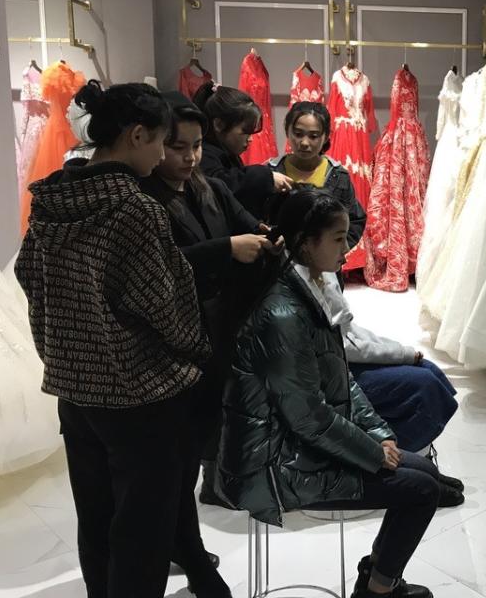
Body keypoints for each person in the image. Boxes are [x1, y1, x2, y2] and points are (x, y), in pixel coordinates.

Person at [15, 80, 227, 598]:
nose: (162, 154)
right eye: (160, 141)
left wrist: (74, 328)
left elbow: (26, 273)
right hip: (138, 394)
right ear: (136, 136)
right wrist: (200, 350)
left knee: (96, 519)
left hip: (74, 387)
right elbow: (162, 304)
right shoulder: (134, 209)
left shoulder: (53, 199)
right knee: (143, 533)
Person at [219, 187, 437, 598]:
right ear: (306, 242)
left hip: (295, 440)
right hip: (271, 461)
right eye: (338, 238)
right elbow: (306, 415)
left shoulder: (309, 288)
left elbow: (340, 378)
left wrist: (378, 433)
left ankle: (376, 574)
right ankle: (378, 588)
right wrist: (372, 452)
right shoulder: (284, 312)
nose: (348, 247)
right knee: (421, 491)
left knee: (426, 475)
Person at [140, 91, 277, 518]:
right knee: (189, 420)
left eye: (196, 146)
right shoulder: (145, 201)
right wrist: (227, 249)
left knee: (223, 401)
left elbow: (249, 225)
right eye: (177, 147)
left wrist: (272, 236)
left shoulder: (211, 186)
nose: (190, 157)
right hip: (178, 327)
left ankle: (218, 481)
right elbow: (160, 263)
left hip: (224, 317)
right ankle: (192, 500)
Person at [302, 263, 464, 507]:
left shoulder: (321, 271)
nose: (346, 247)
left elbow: (347, 332)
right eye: (338, 238)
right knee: (423, 386)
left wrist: (399, 350)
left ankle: (414, 465)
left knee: (429, 372)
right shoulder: (295, 288)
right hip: (323, 381)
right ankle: (399, 472)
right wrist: (400, 354)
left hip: (338, 367)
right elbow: (339, 351)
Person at [269, 100, 366, 255]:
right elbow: (254, 220)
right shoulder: (271, 172)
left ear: (326, 136)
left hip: (325, 269)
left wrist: (335, 248)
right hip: (278, 266)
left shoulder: (338, 176)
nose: (304, 143)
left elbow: (356, 219)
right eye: (298, 134)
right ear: (287, 131)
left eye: (313, 136)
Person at [194, 83, 294, 219]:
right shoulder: (205, 156)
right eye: (245, 132)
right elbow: (221, 185)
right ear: (219, 125)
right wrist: (266, 177)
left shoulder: (227, 154)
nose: (250, 139)